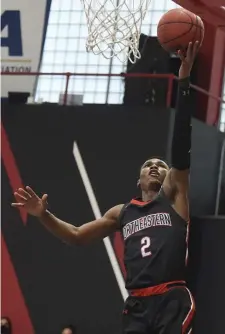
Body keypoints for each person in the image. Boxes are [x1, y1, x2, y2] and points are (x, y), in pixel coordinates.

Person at [12, 41, 199, 334]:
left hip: (170, 298)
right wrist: (43, 215)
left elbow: (181, 145)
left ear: (169, 177)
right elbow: (75, 235)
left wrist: (184, 80)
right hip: (137, 304)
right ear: (138, 180)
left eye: (160, 165)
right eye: (148, 164)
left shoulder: (175, 198)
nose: (154, 166)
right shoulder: (122, 213)